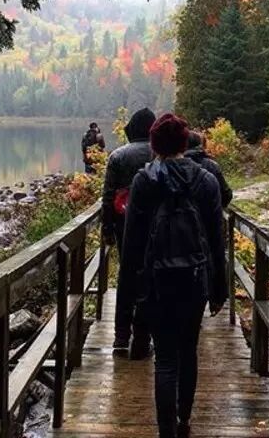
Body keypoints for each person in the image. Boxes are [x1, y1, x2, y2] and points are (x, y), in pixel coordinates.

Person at [121, 113, 227, 438]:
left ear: (154, 146)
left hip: (156, 282)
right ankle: (183, 421)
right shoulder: (206, 181)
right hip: (194, 280)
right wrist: (219, 288)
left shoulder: (143, 182)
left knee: (165, 359)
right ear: (184, 143)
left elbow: (131, 244)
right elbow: (217, 241)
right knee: (188, 350)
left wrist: (127, 299)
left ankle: (166, 431)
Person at [101, 107, 157, 355]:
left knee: (127, 276)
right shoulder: (159, 154)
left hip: (124, 223)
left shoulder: (118, 156)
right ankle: (144, 335)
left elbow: (108, 197)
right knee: (150, 276)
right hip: (155, 224)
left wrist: (107, 228)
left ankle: (121, 335)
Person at [184, 131, 233, 207]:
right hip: (208, 212)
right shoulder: (211, 165)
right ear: (200, 144)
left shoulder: (173, 166)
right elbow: (226, 194)